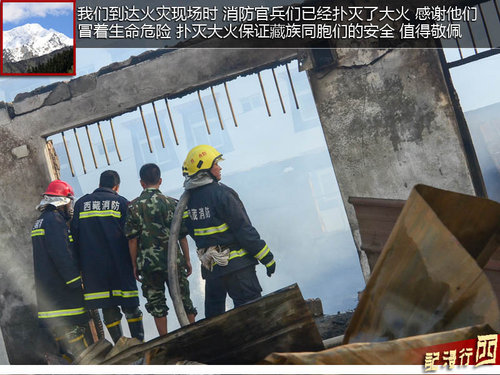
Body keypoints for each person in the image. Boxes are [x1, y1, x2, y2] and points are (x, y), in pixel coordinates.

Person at [182, 145, 276, 318]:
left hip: (212, 271)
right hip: (237, 268)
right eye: (215, 164)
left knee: (215, 321)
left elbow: (193, 232)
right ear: (204, 169)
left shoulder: (188, 201)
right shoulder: (222, 194)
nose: (220, 167)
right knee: (253, 315)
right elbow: (243, 229)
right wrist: (266, 257)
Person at [70, 170, 144, 343]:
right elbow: (132, 235)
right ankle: (139, 343)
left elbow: (74, 237)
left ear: (99, 184)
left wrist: (79, 266)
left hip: (93, 270)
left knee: (108, 308)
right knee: (131, 306)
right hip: (121, 265)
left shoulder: (81, 204)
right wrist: (136, 263)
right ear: (116, 186)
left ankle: (119, 345)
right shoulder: (122, 203)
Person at [125, 163, 197, 336]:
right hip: (173, 262)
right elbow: (182, 236)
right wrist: (187, 260)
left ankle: (164, 341)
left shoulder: (133, 207)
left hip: (148, 264)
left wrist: (134, 264)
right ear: (160, 181)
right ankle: (193, 334)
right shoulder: (173, 203)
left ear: (142, 183)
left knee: (157, 304)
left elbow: (132, 240)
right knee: (184, 299)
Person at [31, 180, 88, 360]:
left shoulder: (40, 221)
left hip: (49, 293)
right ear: (62, 201)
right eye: (69, 202)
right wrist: (75, 281)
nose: (70, 206)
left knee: (62, 340)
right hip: (62, 293)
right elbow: (62, 254)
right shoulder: (54, 221)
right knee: (75, 337)